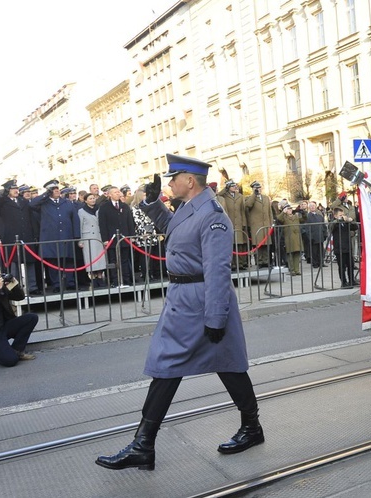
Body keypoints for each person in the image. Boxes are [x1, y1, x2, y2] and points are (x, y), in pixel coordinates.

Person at [96, 154, 263, 471]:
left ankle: (145, 444)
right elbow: (171, 227)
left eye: (173, 178)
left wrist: (215, 318)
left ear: (190, 181)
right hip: (183, 298)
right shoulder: (189, 209)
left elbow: (217, 271)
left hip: (200, 299)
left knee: (183, 365)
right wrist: (153, 200)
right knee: (212, 364)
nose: (169, 182)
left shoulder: (213, 216)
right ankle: (249, 427)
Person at [29, 179, 81, 292]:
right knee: (53, 262)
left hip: (67, 236)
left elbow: (75, 220)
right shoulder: (44, 203)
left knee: (68, 261)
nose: (56, 190)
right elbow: (32, 204)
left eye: (57, 188)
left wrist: (77, 236)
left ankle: (70, 283)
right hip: (51, 237)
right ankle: (57, 284)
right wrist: (46, 194)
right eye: (53, 189)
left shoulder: (66, 202)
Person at [0, 180, 41, 296]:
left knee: (29, 262)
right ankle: (15, 289)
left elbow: (31, 218)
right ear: (7, 190)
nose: (16, 191)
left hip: (26, 236)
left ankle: (33, 287)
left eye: (16, 188)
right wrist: (3, 194)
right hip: (11, 237)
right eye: (13, 189)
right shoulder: (3, 202)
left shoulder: (24, 201)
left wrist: (35, 234)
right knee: (13, 264)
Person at [0, 273, 39, 367]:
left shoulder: (0, 287)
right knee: (10, 361)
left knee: (31, 318)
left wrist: (14, 284)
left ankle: (17, 350)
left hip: (4, 326)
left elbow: (20, 297)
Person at [98, 186, 135, 288]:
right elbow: (102, 224)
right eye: (115, 192)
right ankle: (116, 281)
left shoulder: (125, 206)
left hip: (124, 237)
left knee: (124, 259)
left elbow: (130, 222)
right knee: (113, 261)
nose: (118, 194)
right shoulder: (104, 207)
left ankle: (126, 280)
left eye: (118, 192)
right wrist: (105, 239)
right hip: (112, 239)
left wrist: (131, 236)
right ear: (109, 194)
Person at [77, 192, 108, 288]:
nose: (93, 200)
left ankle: (100, 276)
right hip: (88, 237)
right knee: (91, 259)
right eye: (90, 198)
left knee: (100, 258)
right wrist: (80, 240)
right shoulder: (81, 211)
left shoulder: (99, 209)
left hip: (98, 237)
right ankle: (93, 278)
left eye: (94, 198)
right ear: (85, 201)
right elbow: (80, 226)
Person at [217, 180, 249, 270]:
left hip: (239, 223)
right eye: (232, 186)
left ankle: (241, 263)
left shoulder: (240, 196)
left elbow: (242, 210)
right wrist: (225, 187)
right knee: (232, 244)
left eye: (235, 186)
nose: (235, 187)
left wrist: (244, 223)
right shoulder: (224, 196)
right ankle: (234, 264)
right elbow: (218, 195)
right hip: (230, 222)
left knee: (240, 244)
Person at [245, 181, 273, 267]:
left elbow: (269, 212)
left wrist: (271, 223)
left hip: (266, 224)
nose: (258, 189)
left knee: (266, 244)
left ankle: (266, 261)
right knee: (259, 244)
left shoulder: (265, 198)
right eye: (256, 188)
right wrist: (254, 194)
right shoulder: (250, 198)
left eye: (259, 187)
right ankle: (260, 261)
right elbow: (248, 205)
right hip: (256, 225)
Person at [330, 207, 356, 288]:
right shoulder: (334, 223)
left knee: (350, 265)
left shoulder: (345, 223)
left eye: (343, 214)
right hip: (339, 248)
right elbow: (331, 227)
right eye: (340, 215)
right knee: (342, 266)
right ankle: (344, 282)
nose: (342, 216)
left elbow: (355, 227)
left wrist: (350, 221)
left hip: (347, 247)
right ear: (335, 216)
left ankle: (352, 280)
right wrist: (338, 220)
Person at [276, 203, 303, 276]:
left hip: (297, 237)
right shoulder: (284, 217)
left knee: (297, 254)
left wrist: (302, 210)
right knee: (290, 254)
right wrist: (283, 212)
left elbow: (304, 218)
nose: (290, 210)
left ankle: (297, 269)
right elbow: (278, 219)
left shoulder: (296, 216)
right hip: (289, 238)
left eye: (290, 209)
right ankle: (292, 270)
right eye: (288, 209)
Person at [305, 201, 327, 268]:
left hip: (320, 236)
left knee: (321, 251)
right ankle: (315, 263)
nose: (312, 207)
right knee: (314, 251)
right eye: (311, 206)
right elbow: (306, 228)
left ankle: (321, 262)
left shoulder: (320, 216)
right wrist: (310, 236)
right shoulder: (308, 216)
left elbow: (323, 226)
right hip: (313, 237)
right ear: (309, 207)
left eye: (314, 205)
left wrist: (325, 234)